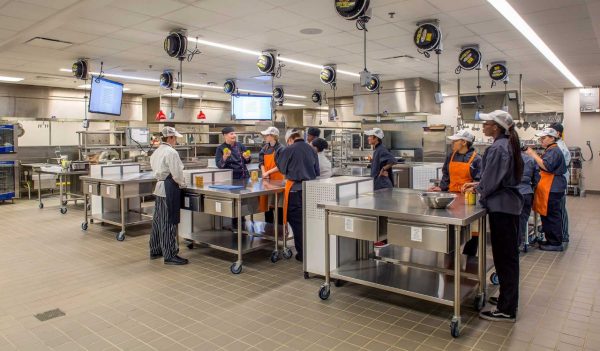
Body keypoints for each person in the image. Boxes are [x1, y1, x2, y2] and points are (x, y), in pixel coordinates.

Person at [463, 110, 524, 322]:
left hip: (502, 208)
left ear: (496, 127)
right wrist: (478, 184)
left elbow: (491, 182)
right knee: (506, 257)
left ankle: (507, 309)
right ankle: (507, 299)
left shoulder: (499, 148)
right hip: (506, 205)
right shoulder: (506, 144)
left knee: (506, 258)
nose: (483, 126)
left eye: (487, 123)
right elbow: (495, 178)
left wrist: (479, 189)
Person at [429, 129, 482, 256]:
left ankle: (469, 257)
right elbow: (446, 174)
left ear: (464, 142)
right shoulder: (451, 155)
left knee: (472, 230)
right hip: (451, 198)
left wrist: (473, 188)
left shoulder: (477, 159)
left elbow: (479, 179)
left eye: (455, 141)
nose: (452, 143)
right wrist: (442, 188)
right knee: (451, 228)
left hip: (469, 200)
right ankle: (450, 257)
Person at [277, 129, 319, 262]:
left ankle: (302, 254)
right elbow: (316, 171)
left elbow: (282, 169)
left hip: (295, 191)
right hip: (310, 190)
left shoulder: (288, 150)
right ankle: (312, 250)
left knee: (297, 223)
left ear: (290, 139)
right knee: (309, 221)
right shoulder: (312, 149)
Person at [149, 126, 188, 265]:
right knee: (168, 222)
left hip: (159, 187)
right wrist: (183, 184)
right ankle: (170, 255)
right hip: (168, 188)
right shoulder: (171, 152)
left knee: (158, 221)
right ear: (170, 137)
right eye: (175, 138)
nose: (176, 140)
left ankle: (155, 249)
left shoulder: (157, 151)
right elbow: (177, 174)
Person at [526, 128, 567, 251]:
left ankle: (555, 243)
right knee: (548, 215)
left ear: (552, 138)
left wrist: (533, 155)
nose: (541, 141)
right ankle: (551, 239)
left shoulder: (554, 151)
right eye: (541, 138)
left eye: (544, 138)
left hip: (553, 187)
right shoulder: (550, 150)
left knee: (551, 215)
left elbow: (547, 166)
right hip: (551, 187)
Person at [215, 127, 252, 229]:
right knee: (234, 204)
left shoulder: (240, 146)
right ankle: (235, 225)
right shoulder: (221, 148)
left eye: (234, 133)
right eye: (231, 134)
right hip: (232, 180)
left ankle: (243, 223)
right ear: (225, 136)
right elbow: (219, 164)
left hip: (244, 177)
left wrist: (247, 158)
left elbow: (248, 160)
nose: (234, 136)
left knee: (244, 203)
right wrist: (225, 157)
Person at [258, 126, 284, 224]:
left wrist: (268, 172)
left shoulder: (281, 148)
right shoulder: (265, 148)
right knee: (267, 206)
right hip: (267, 181)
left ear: (273, 136)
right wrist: (264, 172)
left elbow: (281, 165)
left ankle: (280, 230)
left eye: (267, 135)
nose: (264, 136)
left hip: (278, 180)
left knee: (278, 206)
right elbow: (261, 162)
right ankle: (269, 228)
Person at [549, 123, 571, 243]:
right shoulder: (558, 146)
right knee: (559, 209)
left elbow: (552, 165)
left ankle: (564, 235)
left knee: (560, 209)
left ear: (557, 133)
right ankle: (562, 234)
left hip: (559, 183)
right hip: (558, 182)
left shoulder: (559, 148)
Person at [517, 148, 539, 249]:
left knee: (511, 220)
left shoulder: (509, 158)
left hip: (512, 193)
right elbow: (536, 179)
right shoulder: (530, 159)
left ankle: (511, 245)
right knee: (522, 220)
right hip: (526, 192)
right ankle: (518, 243)